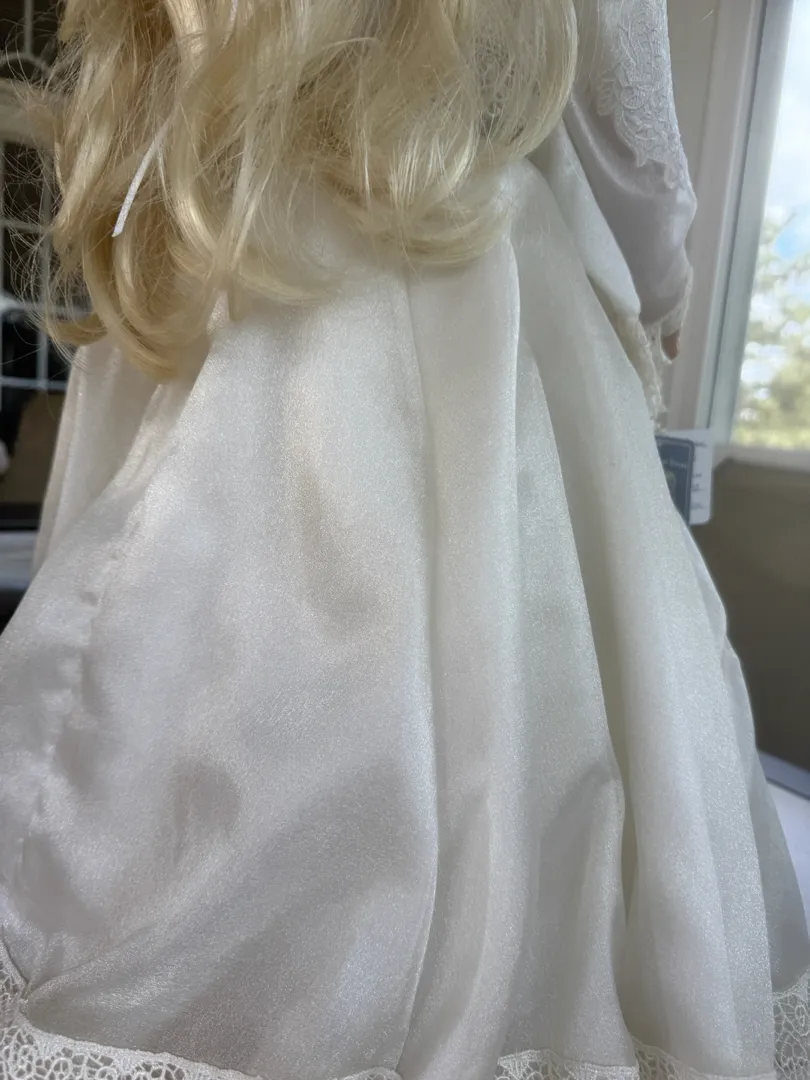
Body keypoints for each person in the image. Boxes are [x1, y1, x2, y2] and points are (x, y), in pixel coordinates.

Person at [0, 2, 807, 1080]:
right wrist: (659, 291)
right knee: (538, 697)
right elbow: (634, 143)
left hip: (228, 245)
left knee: (168, 692)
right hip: (464, 246)